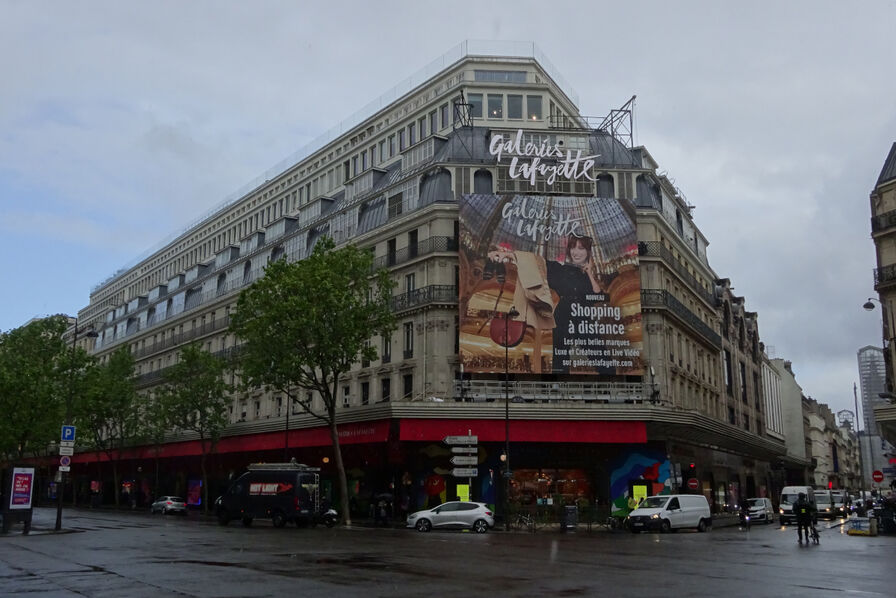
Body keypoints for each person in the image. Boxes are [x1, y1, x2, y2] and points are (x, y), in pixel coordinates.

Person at [488, 234, 607, 374]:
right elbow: (537, 262)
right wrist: (508, 255)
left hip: (584, 318)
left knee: (603, 360)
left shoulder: (587, 276)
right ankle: (559, 390)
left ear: (588, 252)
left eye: (581, 248)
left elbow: (597, 296)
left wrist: (590, 272)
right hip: (563, 315)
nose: (575, 251)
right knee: (560, 363)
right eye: (572, 247)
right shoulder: (561, 269)